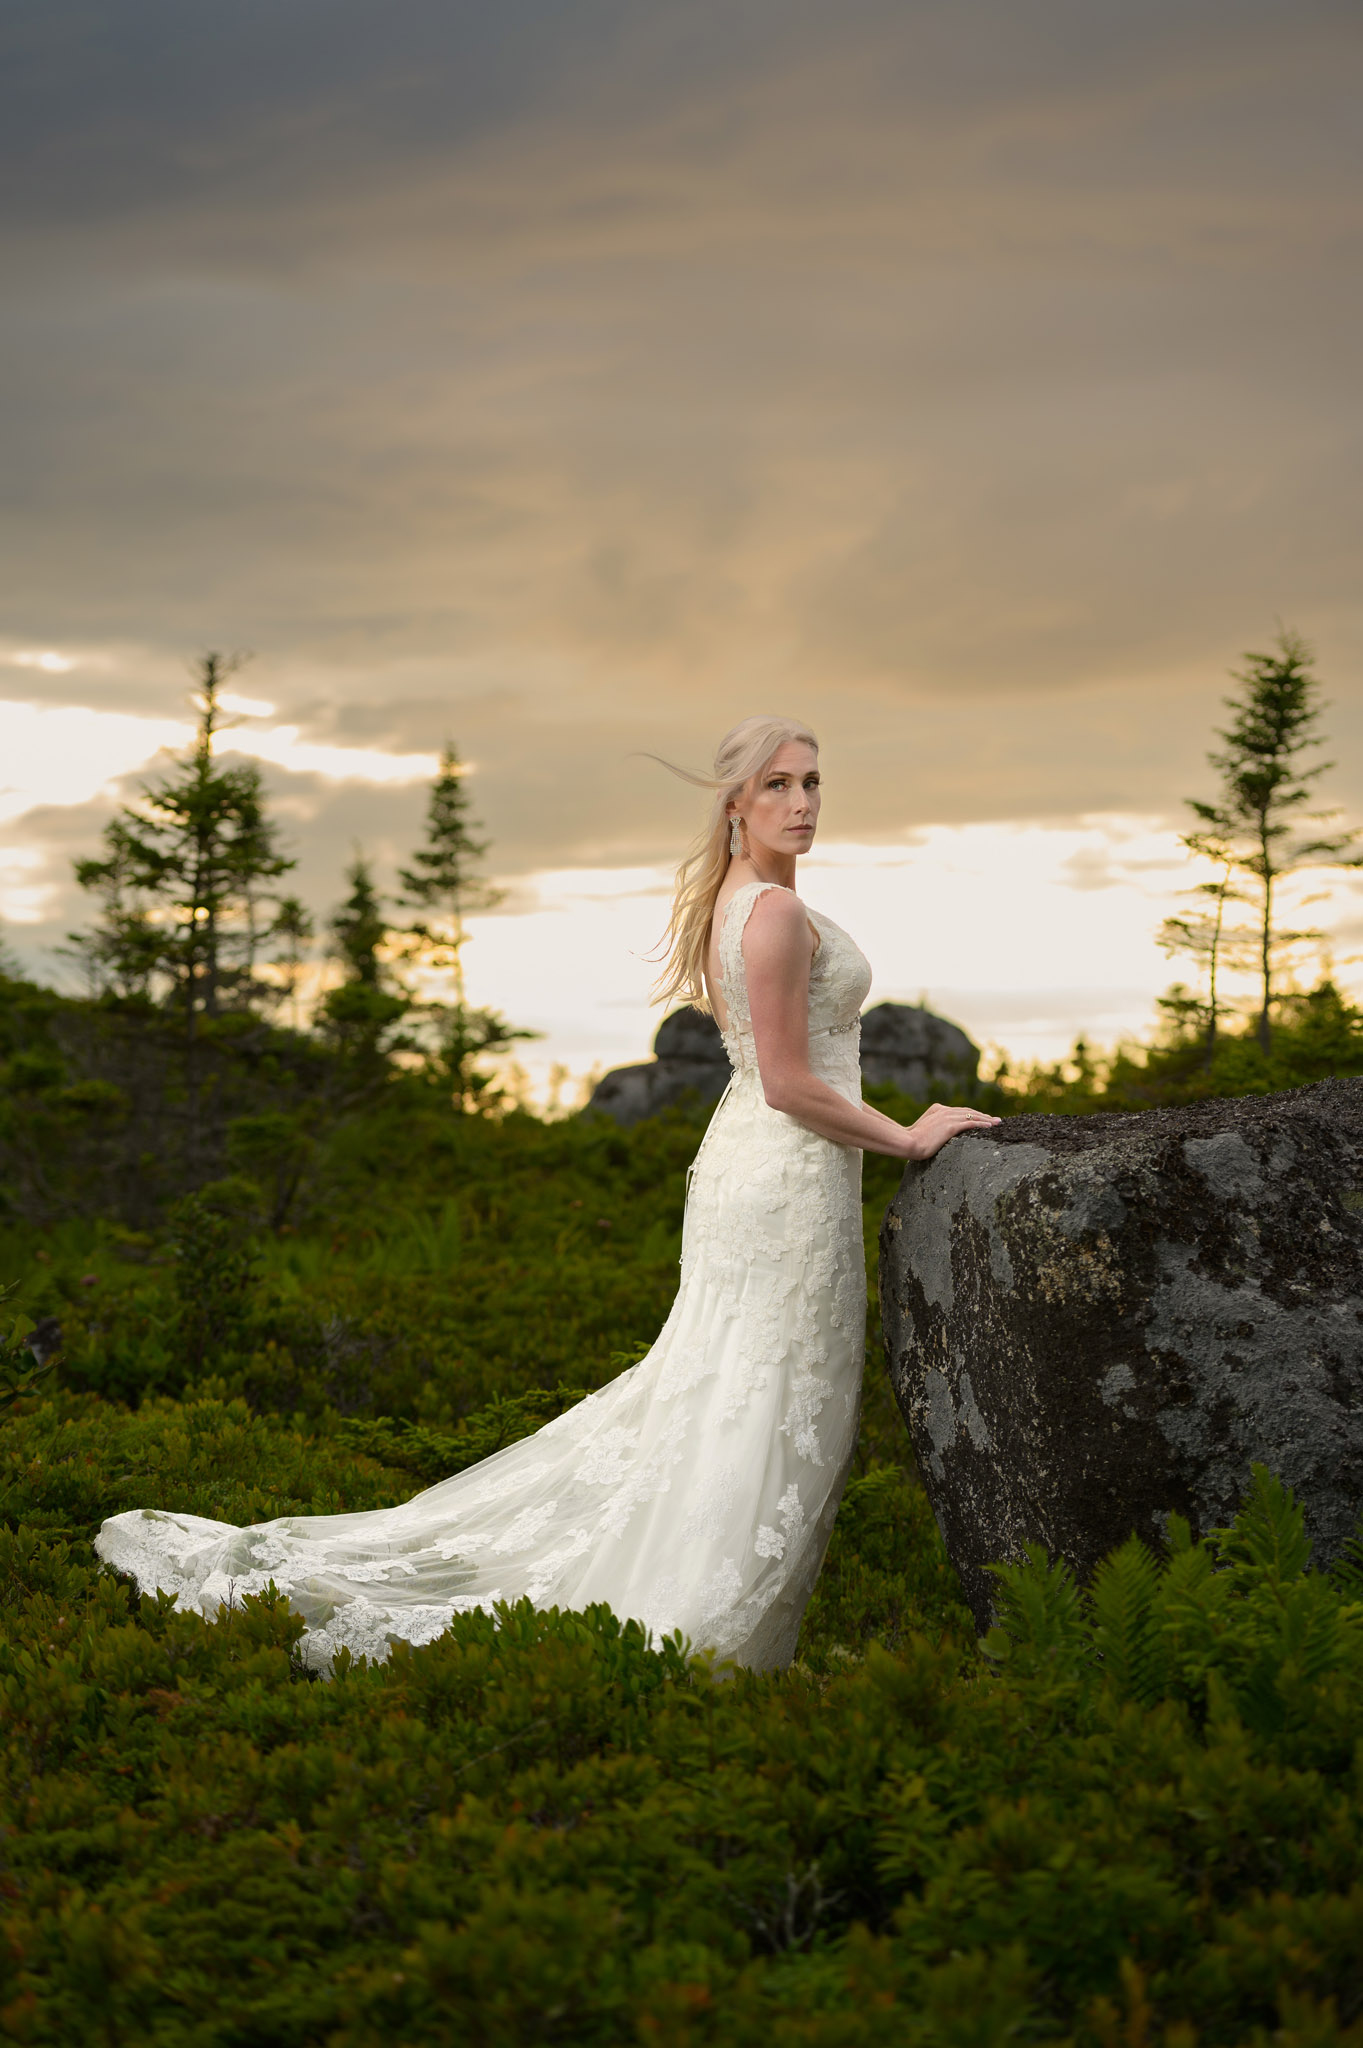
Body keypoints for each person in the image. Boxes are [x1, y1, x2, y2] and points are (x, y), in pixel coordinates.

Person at [95, 715, 999, 1670]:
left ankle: (718, 1606)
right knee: (763, 1391)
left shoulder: (740, 899)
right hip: (781, 1171)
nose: (802, 802)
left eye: (812, 782)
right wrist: (908, 1138)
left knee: (737, 1389)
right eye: (777, 784)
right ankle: (696, 1622)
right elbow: (784, 1080)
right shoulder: (769, 911)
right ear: (734, 802)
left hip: (763, 1169)